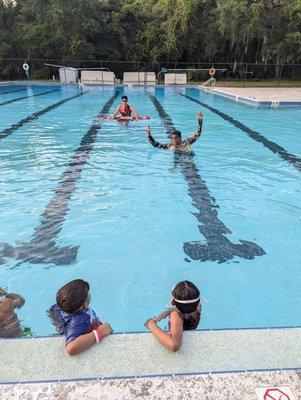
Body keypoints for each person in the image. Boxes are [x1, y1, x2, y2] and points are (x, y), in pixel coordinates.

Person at [48, 279, 112, 356]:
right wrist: (99, 332)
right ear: (85, 304)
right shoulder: (80, 319)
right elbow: (71, 348)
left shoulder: (63, 304)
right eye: (88, 294)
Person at [145, 281, 201, 352]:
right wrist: (168, 312)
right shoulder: (198, 307)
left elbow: (173, 346)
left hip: (178, 330)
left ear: (173, 302)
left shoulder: (176, 316)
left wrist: (150, 324)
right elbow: (187, 305)